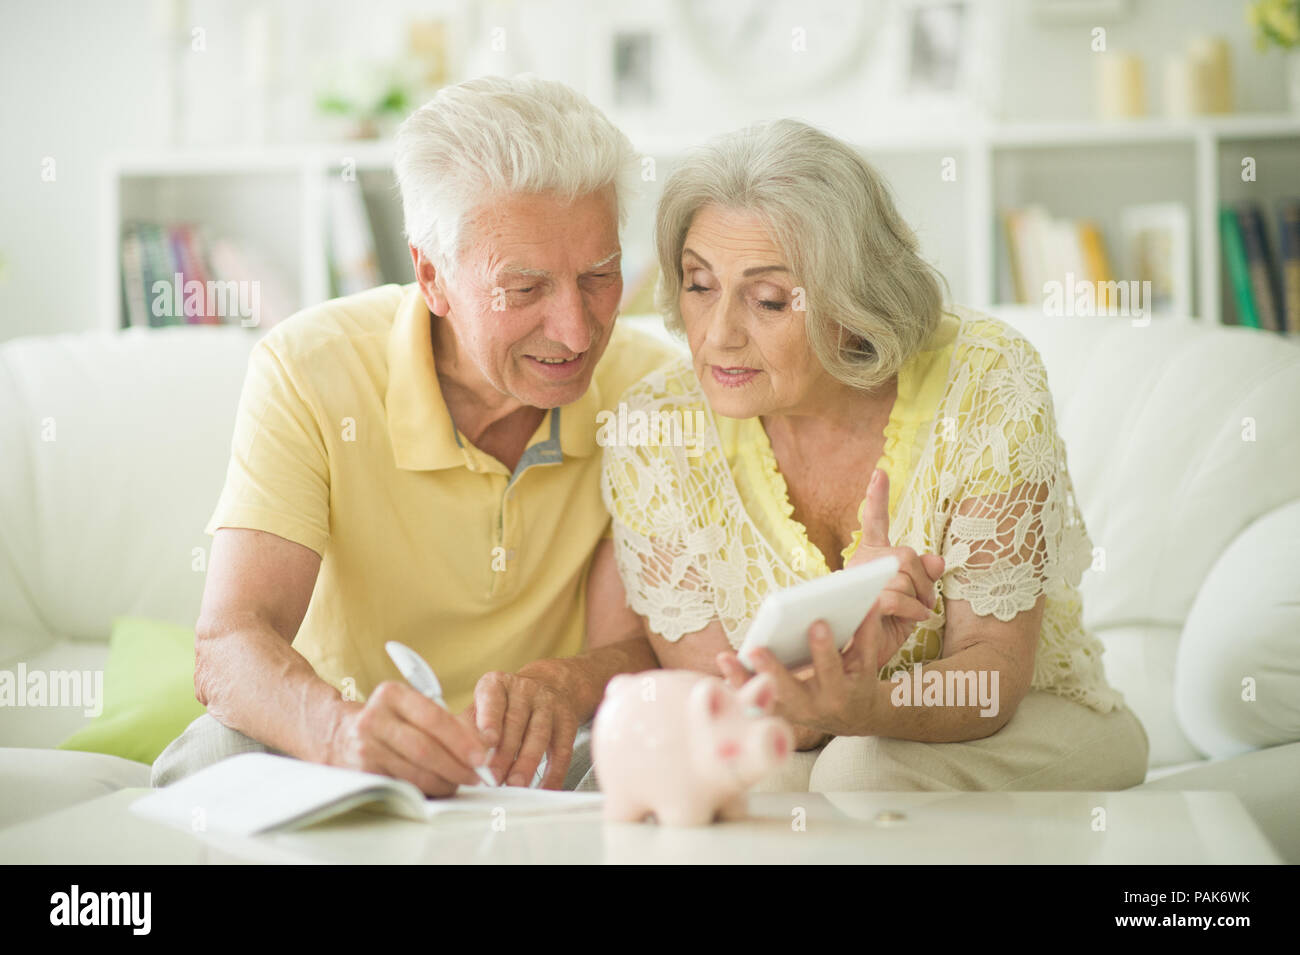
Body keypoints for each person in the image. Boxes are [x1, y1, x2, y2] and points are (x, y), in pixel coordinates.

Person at [151, 75, 675, 794]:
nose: (578, 330)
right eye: (523, 289)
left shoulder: (652, 390)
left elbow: (660, 644)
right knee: (209, 759)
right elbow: (231, 643)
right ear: (432, 277)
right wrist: (341, 733)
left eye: (600, 275)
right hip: (340, 741)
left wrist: (565, 682)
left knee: (658, 746)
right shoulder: (308, 369)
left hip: (556, 751)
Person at [597, 119, 1149, 792]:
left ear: (852, 302)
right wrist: (833, 681)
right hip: (799, 745)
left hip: (1025, 722)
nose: (717, 334)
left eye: (768, 299)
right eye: (698, 284)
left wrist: (871, 706)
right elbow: (727, 710)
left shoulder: (985, 381)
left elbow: (990, 670)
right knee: (764, 779)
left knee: (866, 767)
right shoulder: (655, 429)